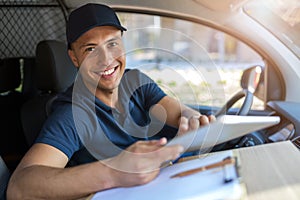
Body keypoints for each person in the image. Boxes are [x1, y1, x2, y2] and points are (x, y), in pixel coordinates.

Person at [7, 3, 215, 199]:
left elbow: (179, 113)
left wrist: (194, 120)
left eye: (112, 43)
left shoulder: (135, 81)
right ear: (74, 58)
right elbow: (19, 188)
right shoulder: (72, 114)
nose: (106, 59)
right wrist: (114, 171)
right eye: (90, 49)